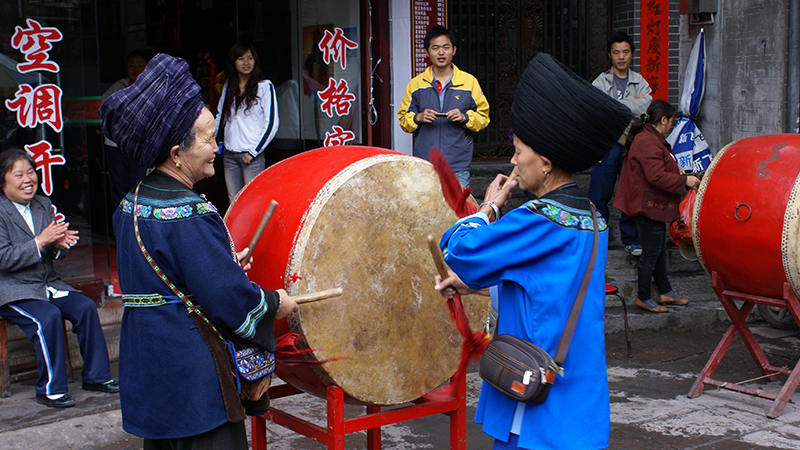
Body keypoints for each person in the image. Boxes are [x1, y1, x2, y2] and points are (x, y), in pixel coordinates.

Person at [99, 53, 299, 448]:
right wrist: (275, 303)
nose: (216, 146)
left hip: (148, 361)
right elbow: (230, 302)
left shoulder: (131, 202)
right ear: (177, 152)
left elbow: (170, 271)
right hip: (192, 369)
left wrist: (220, 261)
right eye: (208, 138)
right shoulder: (190, 211)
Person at [434, 54, 631, 450]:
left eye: (518, 150)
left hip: (539, 410)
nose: (512, 160)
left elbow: (456, 249)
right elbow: (545, 290)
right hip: (578, 396)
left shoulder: (540, 219)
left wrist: (487, 209)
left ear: (544, 162)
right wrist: (476, 286)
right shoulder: (592, 218)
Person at [0, 148, 118, 408]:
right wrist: (41, 241)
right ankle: (50, 389)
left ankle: (96, 377)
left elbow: (50, 255)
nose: (27, 179)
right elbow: (3, 259)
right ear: (3, 181)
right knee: (48, 316)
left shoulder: (42, 203)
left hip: (46, 284)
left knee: (86, 307)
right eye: (18, 174)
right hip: (13, 289)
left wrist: (58, 245)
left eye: (30, 172)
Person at [615, 100, 701, 313]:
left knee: (658, 251)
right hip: (647, 205)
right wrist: (684, 181)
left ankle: (666, 292)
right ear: (663, 120)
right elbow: (655, 176)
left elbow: (659, 166)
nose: (671, 126)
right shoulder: (648, 140)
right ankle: (643, 297)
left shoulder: (651, 137)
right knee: (651, 253)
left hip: (654, 204)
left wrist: (677, 171)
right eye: (671, 121)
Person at [397, 25, 490, 188]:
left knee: (458, 212)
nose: (441, 52)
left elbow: (483, 117)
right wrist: (418, 117)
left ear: (454, 50)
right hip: (425, 163)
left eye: (446, 47)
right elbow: (404, 120)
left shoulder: (469, 82)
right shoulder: (416, 84)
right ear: (427, 52)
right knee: (425, 210)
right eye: (435, 48)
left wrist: (465, 117)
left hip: (457, 165)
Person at [589, 31, 652, 256]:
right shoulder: (601, 81)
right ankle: (597, 242)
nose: (621, 56)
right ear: (610, 55)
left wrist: (615, 106)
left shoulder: (639, 81)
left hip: (630, 145)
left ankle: (631, 240)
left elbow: (646, 106)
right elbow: (598, 109)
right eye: (617, 52)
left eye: (625, 52)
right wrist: (629, 106)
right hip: (606, 145)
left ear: (631, 54)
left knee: (630, 194)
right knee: (598, 196)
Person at [215, 42, 279, 204]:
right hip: (229, 154)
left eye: (250, 58)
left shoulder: (265, 87)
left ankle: (254, 231)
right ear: (233, 62)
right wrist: (212, 143)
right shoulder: (229, 86)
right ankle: (236, 231)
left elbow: (271, 123)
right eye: (241, 58)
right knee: (234, 202)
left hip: (251, 157)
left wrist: (253, 152)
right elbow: (219, 117)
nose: (246, 62)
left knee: (253, 202)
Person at [101, 50, 149, 209]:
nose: (136, 69)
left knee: (138, 186)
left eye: (140, 65)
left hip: (139, 147)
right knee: (119, 187)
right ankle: (121, 226)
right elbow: (103, 106)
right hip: (116, 146)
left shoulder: (152, 88)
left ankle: (136, 226)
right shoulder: (119, 86)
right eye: (131, 65)